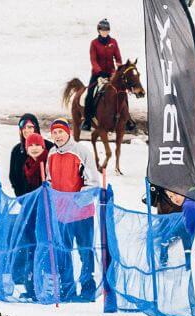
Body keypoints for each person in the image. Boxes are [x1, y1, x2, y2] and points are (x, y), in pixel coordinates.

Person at [45, 117, 100, 300]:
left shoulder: (81, 151)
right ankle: (67, 290)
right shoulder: (51, 154)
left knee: (85, 251)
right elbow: (50, 180)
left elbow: (92, 182)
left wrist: (75, 202)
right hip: (61, 216)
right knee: (63, 253)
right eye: (54, 132)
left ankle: (87, 289)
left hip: (82, 214)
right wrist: (50, 192)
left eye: (61, 131)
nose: (58, 135)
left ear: (67, 132)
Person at [82, 18, 122, 132]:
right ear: (98, 30)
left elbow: (118, 58)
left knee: (121, 92)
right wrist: (99, 72)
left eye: (106, 30)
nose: (104, 32)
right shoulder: (94, 43)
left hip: (111, 73)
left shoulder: (113, 42)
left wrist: (118, 70)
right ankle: (87, 121)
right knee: (89, 94)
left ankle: (127, 119)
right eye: (102, 30)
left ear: (109, 31)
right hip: (97, 73)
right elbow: (93, 60)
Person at [9, 114, 54, 197]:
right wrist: (22, 197)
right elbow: (14, 178)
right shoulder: (17, 151)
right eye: (24, 128)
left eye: (30, 127)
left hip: (48, 200)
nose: (27, 130)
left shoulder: (50, 147)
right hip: (26, 200)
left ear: (36, 128)